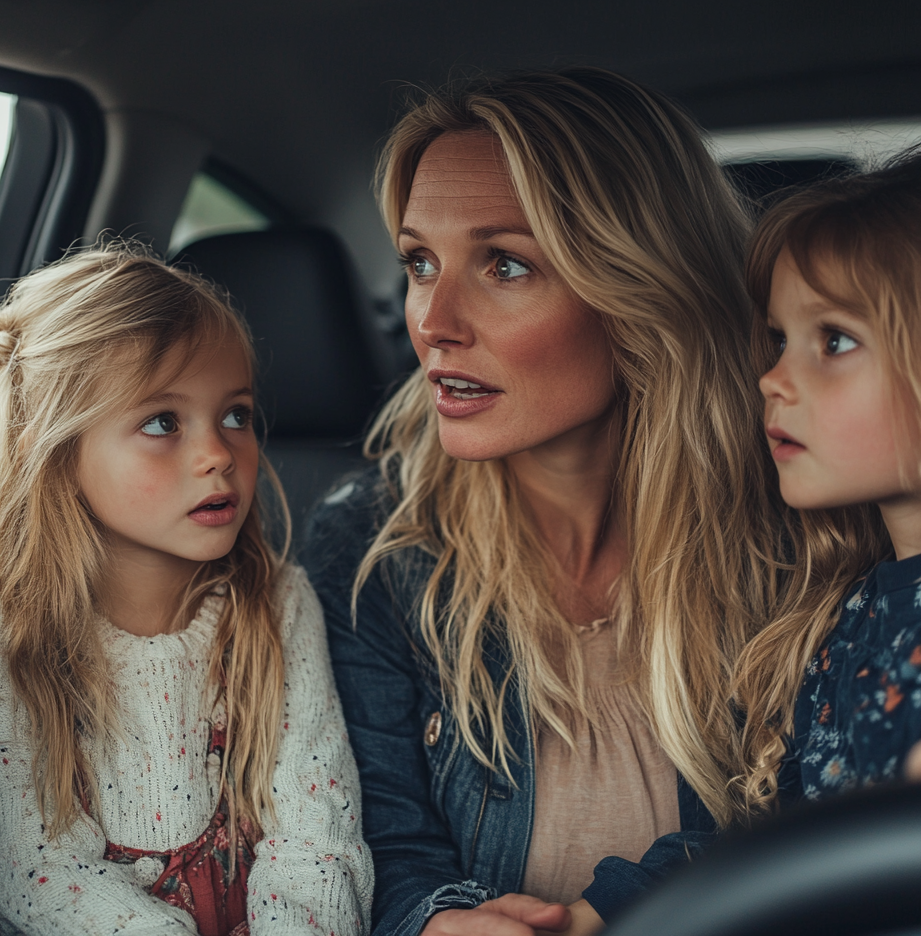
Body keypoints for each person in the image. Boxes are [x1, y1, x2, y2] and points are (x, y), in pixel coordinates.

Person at [302, 69, 788, 936]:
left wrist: (618, 912)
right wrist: (430, 921)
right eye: (419, 262)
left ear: (640, 289)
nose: (433, 320)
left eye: (506, 264)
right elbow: (374, 834)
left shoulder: (791, 525)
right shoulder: (373, 544)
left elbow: (808, 808)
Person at [0, 242, 372, 936]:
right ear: (56, 450)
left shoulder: (276, 605)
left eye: (237, 414)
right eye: (163, 422)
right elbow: (36, 874)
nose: (219, 454)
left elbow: (316, 834)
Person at [734, 151, 921, 814]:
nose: (772, 379)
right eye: (780, 339)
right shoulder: (853, 616)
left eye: (834, 341)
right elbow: (781, 837)